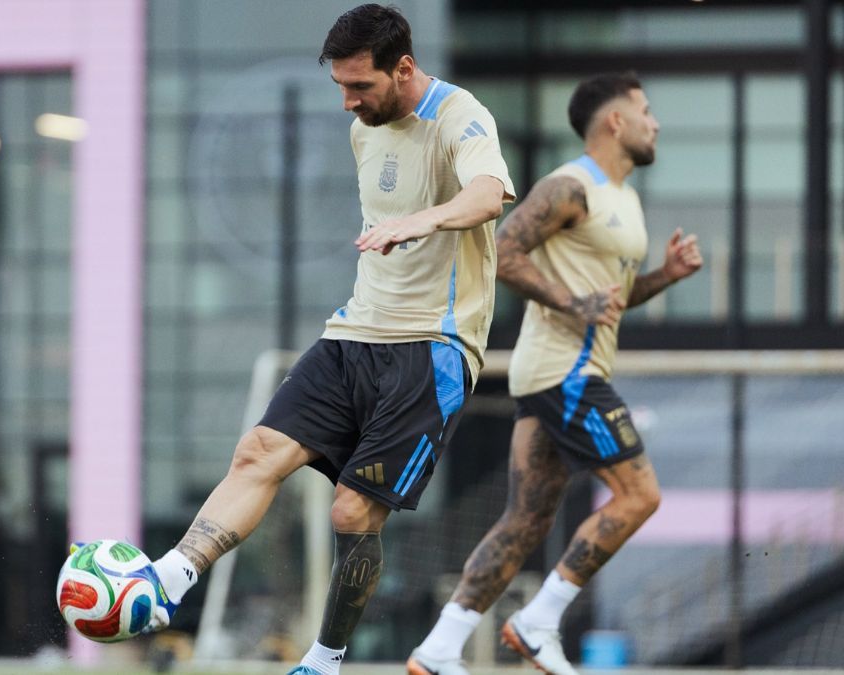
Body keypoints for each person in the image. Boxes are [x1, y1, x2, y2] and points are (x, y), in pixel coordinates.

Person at [132, 5, 515, 675]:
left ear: (403, 68)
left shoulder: (461, 116)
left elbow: (488, 195)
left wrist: (421, 221)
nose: (347, 102)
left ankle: (325, 658)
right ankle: (169, 578)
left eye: (359, 86)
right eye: (339, 86)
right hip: (353, 333)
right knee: (257, 451)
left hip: (433, 348)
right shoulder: (365, 130)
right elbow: (382, 195)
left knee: (351, 510)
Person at [406, 72, 703, 675]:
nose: (656, 123)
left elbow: (609, 298)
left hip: (558, 375)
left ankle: (438, 649)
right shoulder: (571, 186)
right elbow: (506, 251)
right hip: (564, 373)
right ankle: (540, 620)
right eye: (646, 110)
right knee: (639, 495)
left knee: (526, 519)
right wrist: (571, 305)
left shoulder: (626, 199)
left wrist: (662, 278)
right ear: (614, 121)